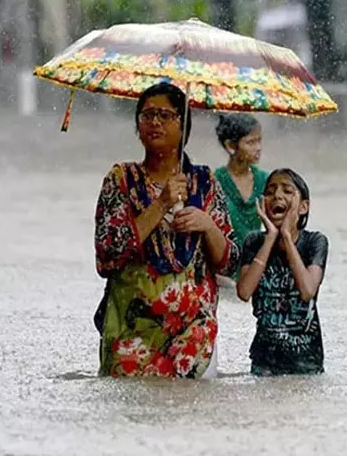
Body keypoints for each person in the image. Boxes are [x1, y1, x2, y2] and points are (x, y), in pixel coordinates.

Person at [93, 82, 240, 378]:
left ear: (183, 125)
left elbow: (231, 261)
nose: (154, 123)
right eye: (146, 116)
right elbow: (108, 255)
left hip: (194, 334)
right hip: (130, 332)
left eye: (164, 115)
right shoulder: (121, 179)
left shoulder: (204, 182)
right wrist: (160, 203)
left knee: (188, 416)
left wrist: (208, 226)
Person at [236, 169, 329, 376]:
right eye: (270, 192)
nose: (277, 195)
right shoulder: (254, 242)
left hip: (306, 362)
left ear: (303, 207)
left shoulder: (315, 242)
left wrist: (286, 236)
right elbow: (244, 291)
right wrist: (270, 238)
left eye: (287, 191)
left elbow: (307, 290)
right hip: (264, 362)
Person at [213, 113, 269, 280]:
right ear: (231, 146)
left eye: (259, 140)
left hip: (254, 267)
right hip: (223, 271)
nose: (258, 147)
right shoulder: (215, 182)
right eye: (251, 142)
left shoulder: (266, 181)